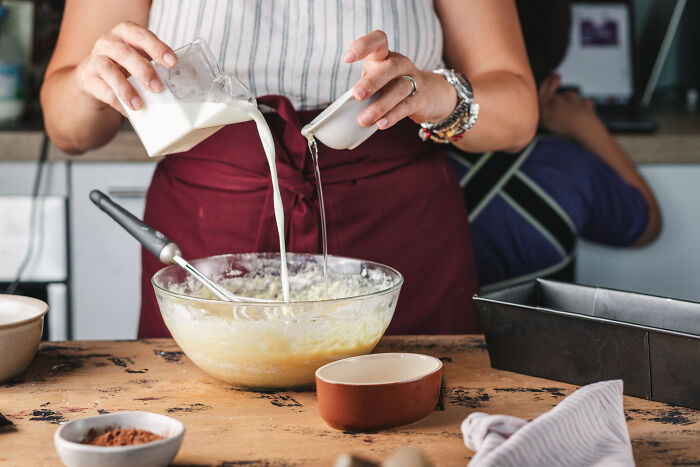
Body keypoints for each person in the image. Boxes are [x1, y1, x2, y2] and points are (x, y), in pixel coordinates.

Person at [41, 0, 539, 337]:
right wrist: (93, 81)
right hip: (206, 230)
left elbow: (516, 111)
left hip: (399, 230)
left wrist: (436, 94)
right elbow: (68, 128)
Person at [449, 0, 662, 291]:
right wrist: (589, 128)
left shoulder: (418, 163)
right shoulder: (573, 167)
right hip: (539, 335)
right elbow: (647, 224)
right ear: (550, 88)